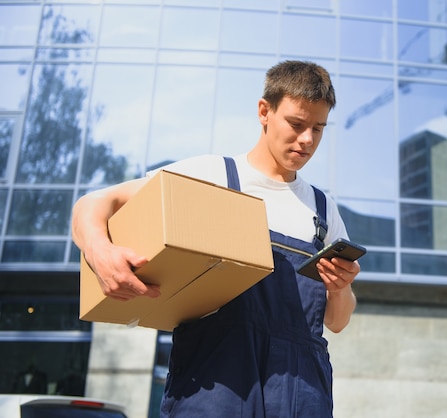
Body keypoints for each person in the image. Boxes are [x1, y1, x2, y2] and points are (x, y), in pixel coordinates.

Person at [72, 60, 359, 417]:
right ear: (264, 111)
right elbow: (95, 203)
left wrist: (340, 287)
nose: (307, 140)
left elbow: (337, 321)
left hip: (302, 387)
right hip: (217, 384)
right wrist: (100, 252)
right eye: (297, 124)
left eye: (318, 128)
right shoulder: (213, 176)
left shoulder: (323, 209)